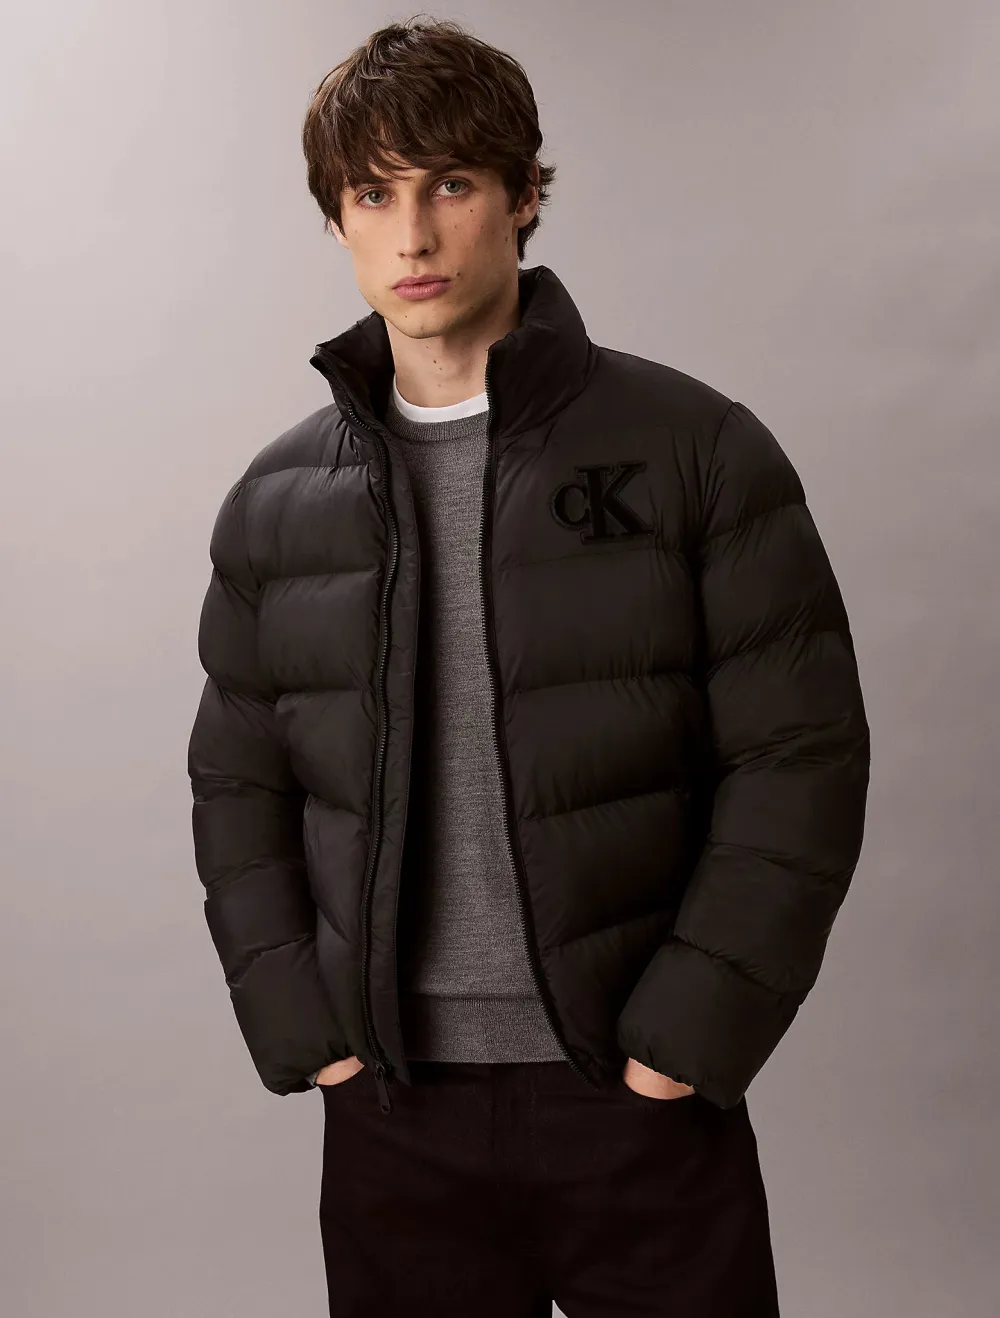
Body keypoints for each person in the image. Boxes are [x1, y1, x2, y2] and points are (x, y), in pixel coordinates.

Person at [187, 16, 870, 1317]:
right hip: (394, 1110)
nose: (413, 235)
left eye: (450, 183)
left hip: (635, 1095)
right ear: (334, 219)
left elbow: (801, 756)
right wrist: (310, 1035)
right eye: (373, 194)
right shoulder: (277, 504)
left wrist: (686, 1040)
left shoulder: (697, 449)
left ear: (524, 196)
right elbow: (238, 786)